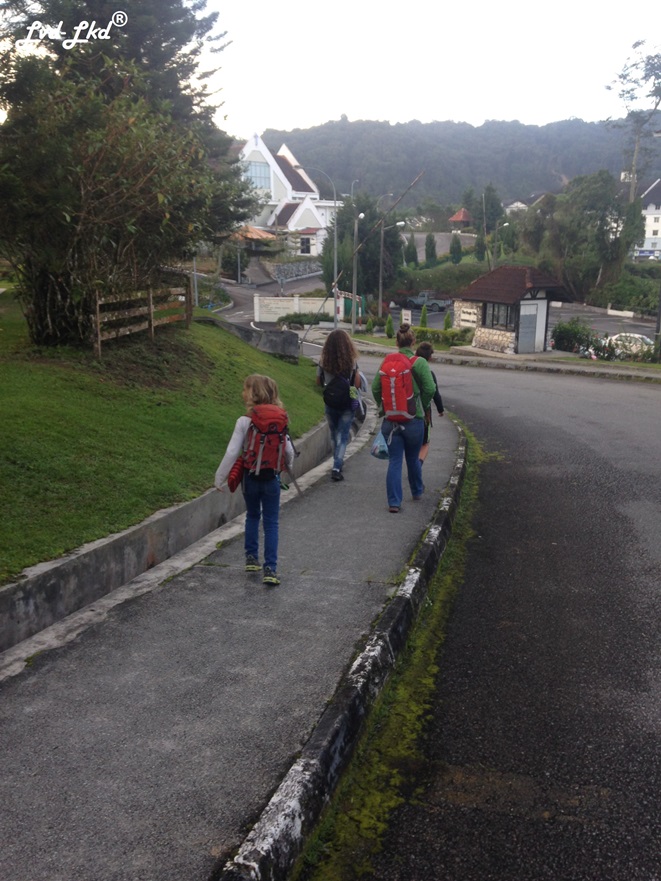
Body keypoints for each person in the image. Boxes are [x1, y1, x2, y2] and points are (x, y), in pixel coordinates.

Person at [214, 374, 295, 586]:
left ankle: (251, 558)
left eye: (245, 389)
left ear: (253, 393)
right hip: (272, 478)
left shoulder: (244, 421)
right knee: (271, 522)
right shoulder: (281, 418)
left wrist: (220, 478)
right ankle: (270, 569)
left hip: (249, 478)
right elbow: (288, 451)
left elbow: (232, 452)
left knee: (252, 515)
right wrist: (286, 468)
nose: (242, 393)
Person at [371, 323, 436, 513]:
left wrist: (385, 407)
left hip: (391, 421)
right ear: (413, 341)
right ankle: (416, 491)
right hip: (414, 420)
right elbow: (430, 388)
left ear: (396, 342)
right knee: (413, 458)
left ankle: (394, 502)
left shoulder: (387, 361)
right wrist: (421, 405)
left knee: (395, 461)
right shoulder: (419, 363)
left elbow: (375, 388)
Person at [316, 329, 362, 482]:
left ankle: (336, 461)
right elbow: (356, 384)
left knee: (333, 433)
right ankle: (337, 466)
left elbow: (318, 381)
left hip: (330, 402)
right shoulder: (351, 362)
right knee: (343, 435)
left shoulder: (324, 361)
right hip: (346, 403)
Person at [414, 341, 444, 463]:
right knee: (425, 443)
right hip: (424, 413)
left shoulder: (409, 369)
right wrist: (440, 409)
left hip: (407, 409)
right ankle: (418, 465)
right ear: (429, 358)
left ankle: (413, 464)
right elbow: (434, 392)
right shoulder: (429, 374)